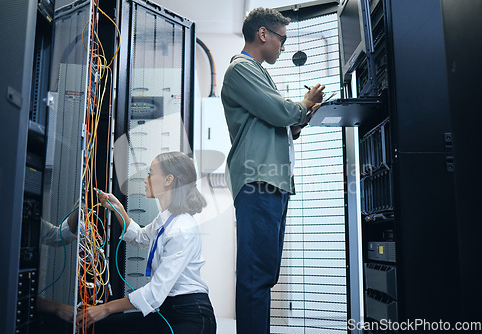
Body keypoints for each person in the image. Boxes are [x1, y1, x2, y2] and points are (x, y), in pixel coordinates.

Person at [220, 7, 325, 334]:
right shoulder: (241, 69)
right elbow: (278, 111)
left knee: (264, 275)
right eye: (281, 38)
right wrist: (303, 106)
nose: (283, 45)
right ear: (263, 34)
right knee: (255, 277)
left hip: (272, 182)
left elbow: (277, 123)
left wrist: (301, 119)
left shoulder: (258, 73)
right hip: (258, 181)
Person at [77, 151, 216, 334]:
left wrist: (105, 308)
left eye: (150, 173)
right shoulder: (166, 219)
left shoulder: (182, 229)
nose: (145, 179)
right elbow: (140, 237)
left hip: (190, 316)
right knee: (104, 327)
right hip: (168, 311)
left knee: (106, 321)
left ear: (168, 180)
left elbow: (154, 293)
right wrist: (117, 207)